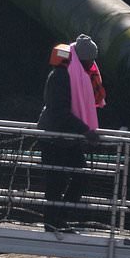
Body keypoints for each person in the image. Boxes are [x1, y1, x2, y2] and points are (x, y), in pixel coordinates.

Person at [36, 34, 103, 232]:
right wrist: (85, 130)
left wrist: (83, 131)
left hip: (68, 137)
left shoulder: (72, 74)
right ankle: (52, 221)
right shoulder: (60, 76)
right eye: (89, 60)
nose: (91, 64)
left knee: (79, 176)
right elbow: (59, 110)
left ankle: (58, 218)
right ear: (82, 59)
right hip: (54, 137)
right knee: (56, 181)